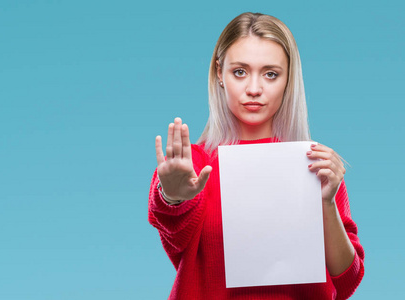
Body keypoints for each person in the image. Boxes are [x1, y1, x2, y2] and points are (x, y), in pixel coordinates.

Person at [148, 12, 364, 300]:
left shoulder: (316, 163)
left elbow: (347, 280)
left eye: (271, 74)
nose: (253, 89)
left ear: (289, 79)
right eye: (240, 72)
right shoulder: (195, 165)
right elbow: (174, 235)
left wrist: (325, 203)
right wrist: (172, 198)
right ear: (219, 73)